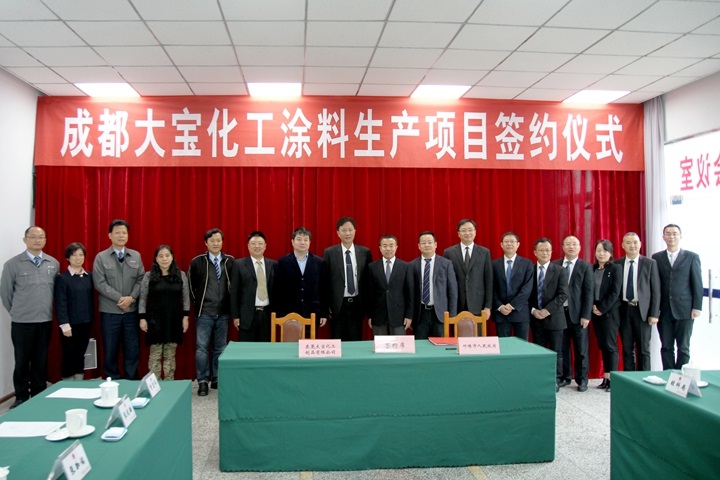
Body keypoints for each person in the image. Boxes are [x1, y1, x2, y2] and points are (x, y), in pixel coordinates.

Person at [1, 226, 59, 408]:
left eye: (41, 237)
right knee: (22, 360)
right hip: (22, 322)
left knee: (40, 359)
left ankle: (38, 393)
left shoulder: (53, 263)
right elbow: (6, 294)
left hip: (45, 320)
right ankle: (21, 396)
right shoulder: (12, 264)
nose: (37, 240)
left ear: (45, 240)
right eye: (33, 237)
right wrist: (18, 312)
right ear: (25, 240)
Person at [93, 219, 144, 380]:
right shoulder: (101, 257)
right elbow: (100, 283)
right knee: (110, 349)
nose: (121, 236)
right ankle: (112, 380)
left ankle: (131, 380)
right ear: (110, 235)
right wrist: (121, 299)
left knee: (132, 349)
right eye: (117, 233)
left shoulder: (135, 256)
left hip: (131, 312)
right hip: (110, 312)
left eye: (124, 233)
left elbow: (141, 280)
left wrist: (131, 298)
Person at [188, 228, 234, 396]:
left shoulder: (230, 261)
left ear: (222, 242)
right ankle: (202, 380)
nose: (216, 243)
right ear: (206, 243)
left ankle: (216, 378)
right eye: (212, 240)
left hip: (223, 312)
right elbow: (191, 286)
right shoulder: (197, 261)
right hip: (204, 312)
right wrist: (199, 303)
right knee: (201, 348)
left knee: (220, 347)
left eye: (218, 240)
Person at [651, 224, 703, 370]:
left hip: (685, 309)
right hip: (664, 310)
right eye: (668, 233)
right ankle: (668, 375)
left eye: (674, 233)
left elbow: (697, 283)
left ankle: (682, 377)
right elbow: (655, 284)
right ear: (663, 237)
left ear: (680, 236)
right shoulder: (656, 258)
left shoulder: (692, 257)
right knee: (666, 347)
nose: (671, 236)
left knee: (683, 347)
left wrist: (697, 307)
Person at [139, 245, 189, 380]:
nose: (164, 259)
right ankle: (155, 384)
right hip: (154, 320)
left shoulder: (181, 275)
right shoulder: (148, 276)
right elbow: (142, 298)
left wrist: (186, 317)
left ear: (172, 257)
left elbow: (186, 297)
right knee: (155, 356)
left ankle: (169, 383)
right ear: (156, 259)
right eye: (161, 256)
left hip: (174, 319)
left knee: (170, 355)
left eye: (167, 255)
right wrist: (142, 318)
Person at [321, 217, 372, 341]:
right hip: (337, 306)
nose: (347, 233)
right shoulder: (329, 253)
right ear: (338, 233)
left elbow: (369, 282)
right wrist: (326, 307)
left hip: (357, 305)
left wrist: (369, 309)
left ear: (355, 231)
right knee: (337, 341)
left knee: (355, 341)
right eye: (344, 230)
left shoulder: (365, 252)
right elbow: (325, 282)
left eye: (350, 230)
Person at [616, 232, 660, 372]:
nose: (632, 245)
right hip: (623, 310)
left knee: (643, 349)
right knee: (627, 348)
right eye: (628, 242)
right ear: (623, 245)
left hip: (643, 312)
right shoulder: (617, 264)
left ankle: (644, 378)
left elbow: (656, 290)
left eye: (635, 242)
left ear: (640, 244)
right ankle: (629, 378)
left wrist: (654, 314)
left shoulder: (650, 263)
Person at [555, 235, 594, 392]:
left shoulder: (586, 266)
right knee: (562, 348)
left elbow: (589, 293)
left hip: (578, 315)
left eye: (574, 244)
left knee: (581, 349)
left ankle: (582, 379)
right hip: (559, 314)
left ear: (579, 247)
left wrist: (586, 315)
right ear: (563, 247)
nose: (571, 247)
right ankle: (565, 376)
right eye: (568, 244)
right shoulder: (555, 265)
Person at [529, 238, 568, 391]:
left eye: (547, 250)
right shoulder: (530, 270)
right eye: (541, 250)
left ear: (551, 252)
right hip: (535, 317)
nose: (544, 253)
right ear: (535, 252)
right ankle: (540, 378)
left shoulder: (559, 270)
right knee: (539, 351)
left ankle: (555, 379)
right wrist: (534, 310)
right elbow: (526, 294)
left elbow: (563, 294)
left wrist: (547, 310)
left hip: (554, 318)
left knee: (556, 351)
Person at [54, 242, 94, 381]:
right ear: (68, 258)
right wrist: (64, 324)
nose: (78, 258)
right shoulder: (62, 278)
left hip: (86, 322)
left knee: (81, 354)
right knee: (69, 354)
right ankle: (67, 384)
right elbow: (61, 303)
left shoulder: (89, 276)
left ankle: (79, 383)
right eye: (74, 255)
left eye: (81, 255)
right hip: (70, 325)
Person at [274, 227, 327, 329]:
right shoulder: (283, 262)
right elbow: (278, 290)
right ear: (292, 242)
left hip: (312, 312)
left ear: (309, 242)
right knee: (290, 339)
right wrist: (279, 314)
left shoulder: (319, 263)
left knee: (310, 339)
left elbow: (323, 289)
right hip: (289, 313)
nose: (302, 242)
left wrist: (323, 313)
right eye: (299, 239)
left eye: (305, 240)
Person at [231, 231, 276, 342]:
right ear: (248, 246)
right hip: (247, 316)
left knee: (266, 348)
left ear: (265, 246)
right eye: (253, 243)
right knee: (247, 349)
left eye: (260, 243)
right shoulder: (239, 264)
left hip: (267, 315)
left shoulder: (274, 265)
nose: (257, 246)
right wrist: (236, 316)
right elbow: (234, 292)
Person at [443, 219, 492, 319]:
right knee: (457, 329)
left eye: (470, 230)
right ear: (458, 233)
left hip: (478, 303)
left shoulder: (484, 252)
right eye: (464, 230)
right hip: (456, 303)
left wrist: (488, 306)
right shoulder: (449, 252)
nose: (467, 233)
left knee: (477, 329)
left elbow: (489, 280)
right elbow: (445, 281)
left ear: (475, 232)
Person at [411, 231, 457, 339]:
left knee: (441, 345)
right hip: (420, 314)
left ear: (435, 244)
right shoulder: (412, 265)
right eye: (423, 243)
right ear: (419, 246)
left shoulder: (446, 264)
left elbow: (453, 291)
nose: (427, 245)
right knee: (420, 345)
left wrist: (452, 315)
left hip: (440, 313)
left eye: (429, 242)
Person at [367, 235, 415, 336]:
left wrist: (409, 315)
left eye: (391, 245)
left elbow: (410, 293)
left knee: (399, 345)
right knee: (380, 345)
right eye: (385, 246)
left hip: (399, 316)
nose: (388, 249)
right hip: (378, 316)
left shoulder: (406, 267)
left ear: (396, 247)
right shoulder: (372, 267)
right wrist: (370, 316)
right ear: (380, 248)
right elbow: (370, 294)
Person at [592, 239, 622, 392]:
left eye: (604, 251)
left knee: (610, 346)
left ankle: (613, 379)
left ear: (610, 253)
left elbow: (615, 292)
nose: (601, 254)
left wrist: (602, 308)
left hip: (609, 312)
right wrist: (593, 306)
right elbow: (589, 290)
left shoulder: (616, 268)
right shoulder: (592, 268)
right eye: (598, 250)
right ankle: (606, 377)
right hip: (595, 311)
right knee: (603, 345)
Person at [491, 232, 534, 340]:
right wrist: (500, 306)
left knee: (522, 347)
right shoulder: (494, 264)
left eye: (512, 241)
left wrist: (512, 305)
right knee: (504, 347)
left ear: (518, 244)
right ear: (501, 244)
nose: (509, 244)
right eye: (506, 242)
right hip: (501, 313)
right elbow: (491, 288)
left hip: (520, 312)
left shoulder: (527, 264)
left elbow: (527, 288)